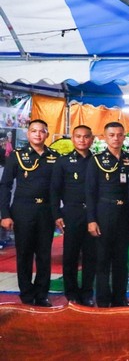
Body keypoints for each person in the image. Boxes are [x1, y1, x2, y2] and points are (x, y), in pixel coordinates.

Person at [0, 119, 59, 306]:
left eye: (42, 131)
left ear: (47, 134)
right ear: (28, 134)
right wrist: (5, 214)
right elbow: (5, 186)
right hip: (23, 210)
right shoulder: (17, 156)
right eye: (34, 131)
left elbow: (59, 187)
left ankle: (42, 294)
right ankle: (26, 293)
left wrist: (59, 213)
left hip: (46, 211)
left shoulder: (54, 156)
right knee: (24, 254)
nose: (38, 134)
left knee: (44, 254)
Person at [86, 122, 129, 308]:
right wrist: (91, 220)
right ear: (105, 137)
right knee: (102, 260)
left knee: (121, 261)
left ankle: (120, 299)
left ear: (124, 136)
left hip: (125, 215)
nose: (116, 138)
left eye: (119, 134)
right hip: (104, 213)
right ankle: (102, 300)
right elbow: (90, 192)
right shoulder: (97, 160)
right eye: (112, 135)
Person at [50, 125, 96, 306]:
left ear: (92, 139)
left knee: (91, 256)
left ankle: (87, 293)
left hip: (93, 215)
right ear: (73, 139)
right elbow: (54, 190)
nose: (82, 140)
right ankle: (71, 293)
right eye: (78, 136)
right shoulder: (63, 162)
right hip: (71, 213)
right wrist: (56, 214)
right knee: (70, 255)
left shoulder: (98, 161)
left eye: (86, 137)